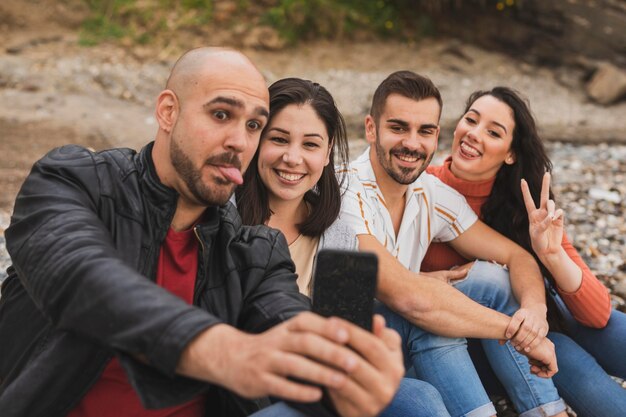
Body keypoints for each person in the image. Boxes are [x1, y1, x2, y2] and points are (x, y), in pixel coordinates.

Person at [0, 47, 404, 417]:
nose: (238, 141)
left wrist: (342, 379)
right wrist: (220, 348)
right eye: (221, 115)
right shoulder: (75, 181)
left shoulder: (254, 251)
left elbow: (287, 327)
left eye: (253, 126)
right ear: (168, 112)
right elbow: (80, 276)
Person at [339, 70, 569, 417]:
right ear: (371, 128)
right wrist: (521, 334)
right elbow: (409, 299)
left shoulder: (429, 193)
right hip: (341, 348)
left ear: (437, 136)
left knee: (488, 279)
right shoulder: (345, 190)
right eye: (398, 127)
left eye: (426, 131)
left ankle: (548, 412)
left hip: (394, 342)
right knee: (428, 318)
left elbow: (516, 256)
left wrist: (534, 313)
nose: (413, 144)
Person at [237, 76, 452, 416]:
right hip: (251, 390)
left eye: (310, 145)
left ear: (327, 152)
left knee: (420, 399)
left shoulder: (339, 228)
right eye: (278, 139)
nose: (293, 159)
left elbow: (346, 338)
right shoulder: (225, 221)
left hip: (322, 382)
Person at [423, 86, 626, 417]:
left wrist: (552, 256)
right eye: (470, 120)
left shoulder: (523, 204)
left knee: (600, 328)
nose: (473, 134)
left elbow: (598, 314)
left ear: (511, 153)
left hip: (533, 317)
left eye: (492, 132)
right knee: (566, 357)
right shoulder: (420, 188)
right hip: (469, 345)